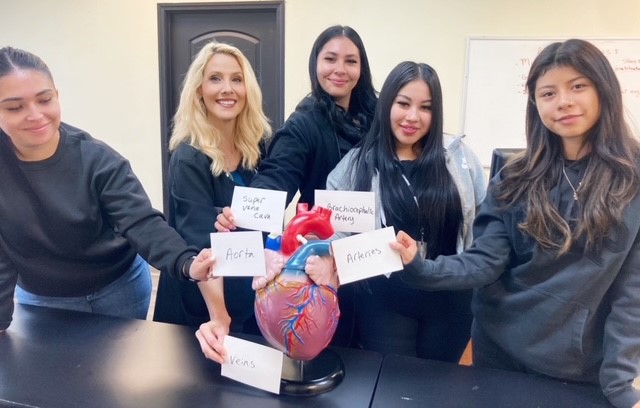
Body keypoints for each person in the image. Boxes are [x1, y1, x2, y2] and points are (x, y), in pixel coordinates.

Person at [391, 39, 640, 408]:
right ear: (535, 104)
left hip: (577, 369)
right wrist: (419, 266)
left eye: (577, 86)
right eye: (548, 93)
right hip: (498, 356)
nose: (564, 102)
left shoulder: (631, 181)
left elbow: (631, 295)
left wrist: (620, 385)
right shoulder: (515, 177)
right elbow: (486, 261)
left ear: (603, 88)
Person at [0, 46, 214, 333]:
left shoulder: (97, 160)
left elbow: (140, 222)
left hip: (117, 290)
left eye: (45, 99)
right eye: (15, 107)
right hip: (44, 299)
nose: (35, 114)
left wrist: (186, 262)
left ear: (57, 96)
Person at [202, 25, 378, 356]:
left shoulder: (375, 118)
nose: (339, 69)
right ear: (315, 64)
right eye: (329, 59)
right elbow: (276, 176)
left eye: (350, 61)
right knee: (332, 352)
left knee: (371, 357)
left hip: (368, 255)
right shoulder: (304, 123)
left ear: (361, 68)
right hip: (324, 260)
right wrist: (241, 217)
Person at [326, 61, 486, 361]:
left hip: (451, 298)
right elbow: (336, 231)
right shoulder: (357, 164)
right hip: (385, 299)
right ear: (387, 103)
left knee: (438, 386)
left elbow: (483, 223)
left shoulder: (458, 159)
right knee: (391, 386)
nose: (413, 117)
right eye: (403, 103)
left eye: (425, 107)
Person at [153, 42, 271, 341]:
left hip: (246, 295)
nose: (227, 88)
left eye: (237, 79)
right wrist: (220, 317)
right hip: (202, 307)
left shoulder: (255, 150)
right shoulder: (189, 157)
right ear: (199, 91)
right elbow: (201, 248)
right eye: (215, 78)